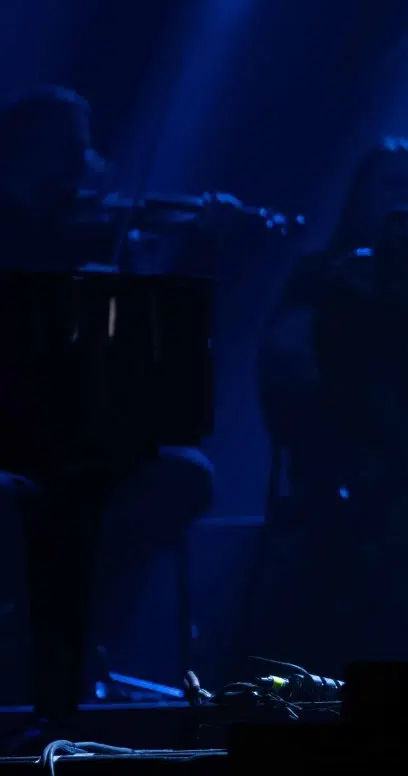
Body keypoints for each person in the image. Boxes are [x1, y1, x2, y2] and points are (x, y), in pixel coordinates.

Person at [0, 89, 212, 730]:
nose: (87, 158)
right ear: (32, 146)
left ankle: (80, 640)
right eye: (73, 141)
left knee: (181, 475)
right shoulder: (31, 235)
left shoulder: (80, 234)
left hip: (62, 430)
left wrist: (143, 274)